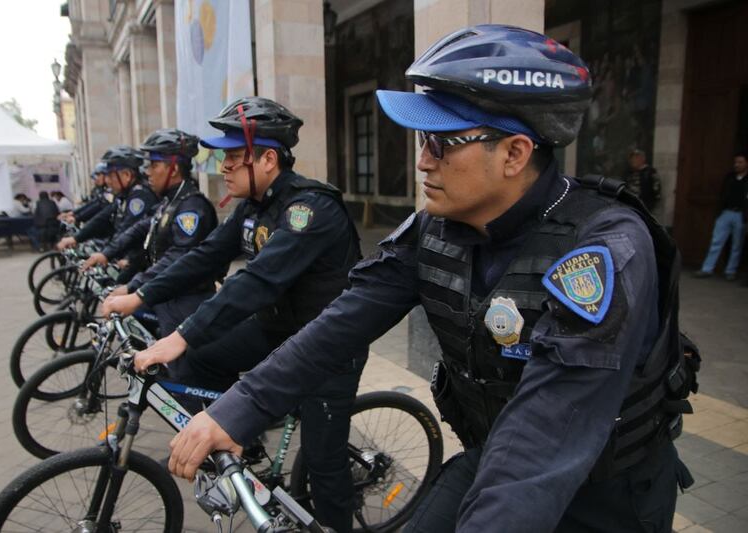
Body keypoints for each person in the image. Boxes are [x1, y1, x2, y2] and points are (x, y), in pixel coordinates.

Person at [161, 25, 695, 532]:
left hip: (606, 494)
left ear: (514, 153)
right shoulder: (436, 229)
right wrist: (236, 411)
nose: (421, 161)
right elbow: (340, 323)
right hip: (495, 458)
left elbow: (547, 431)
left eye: (441, 143)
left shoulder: (604, 249)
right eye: (422, 138)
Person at [102, 97, 364, 532]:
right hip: (277, 329)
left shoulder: (309, 209)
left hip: (327, 347)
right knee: (199, 360)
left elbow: (257, 281)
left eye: (232, 156)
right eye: (222, 156)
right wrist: (140, 294)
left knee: (324, 467)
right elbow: (205, 257)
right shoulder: (252, 206)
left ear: (267, 159)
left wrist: (180, 333)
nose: (222, 166)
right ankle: (244, 439)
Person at [84, 128, 221, 338]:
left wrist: (134, 286)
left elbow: (177, 257)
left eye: (154, 165)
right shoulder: (171, 201)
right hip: (167, 292)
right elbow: (139, 229)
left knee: (175, 366)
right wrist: (107, 254)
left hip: (185, 301)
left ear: (173, 168)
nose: (147, 171)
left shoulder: (191, 206)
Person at [57, 146, 158, 282]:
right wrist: (77, 237)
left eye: (110, 175)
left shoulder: (139, 196)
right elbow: (103, 216)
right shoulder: (124, 195)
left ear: (127, 175)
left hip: (143, 260)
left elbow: (129, 229)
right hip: (129, 254)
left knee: (118, 287)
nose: (107, 181)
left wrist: (110, 253)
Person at [694, 152, 748, 281]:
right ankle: (707, 268)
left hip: (741, 214)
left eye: (740, 162)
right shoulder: (729, 177)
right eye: (736, 162)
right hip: (726, 212)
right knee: (716, 241)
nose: (737, 165)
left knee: (736, 245)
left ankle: (731, 270)